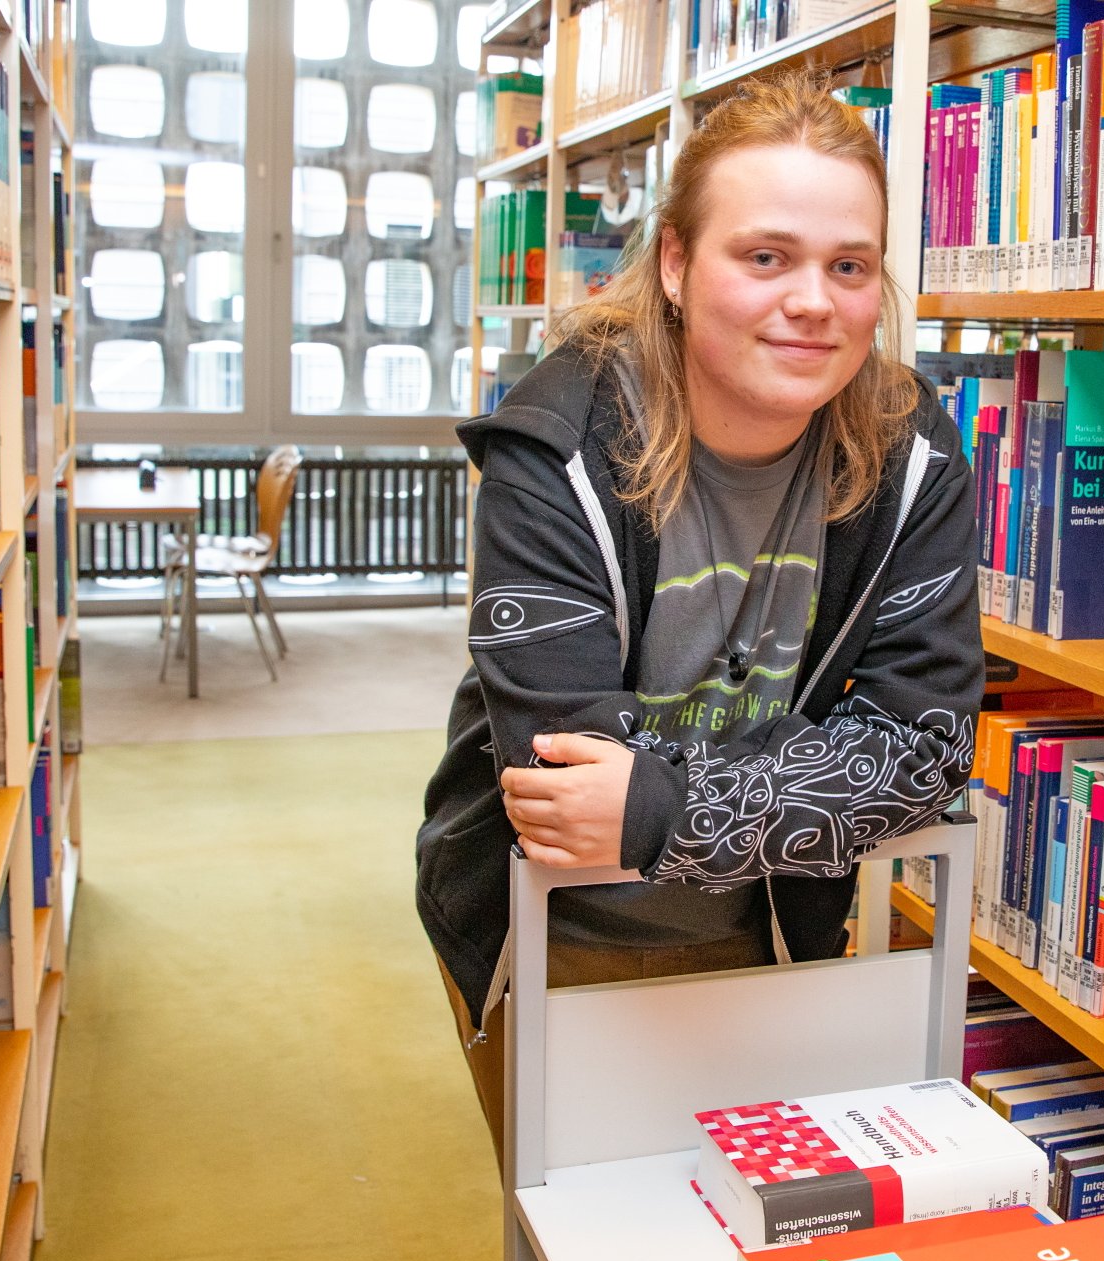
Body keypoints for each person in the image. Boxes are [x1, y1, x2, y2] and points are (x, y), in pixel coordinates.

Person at [414, 69, 983, 1149]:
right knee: (587, 1256)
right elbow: (561, 789)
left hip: (773, 918)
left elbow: (924, 754)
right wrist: (821, 768)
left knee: (762, 1247)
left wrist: (662, 804)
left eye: (848, 266)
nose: (813, 299)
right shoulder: (555, 447)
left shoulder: (914, 456)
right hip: (547, 925)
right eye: (764, 256)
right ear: (675, 262)